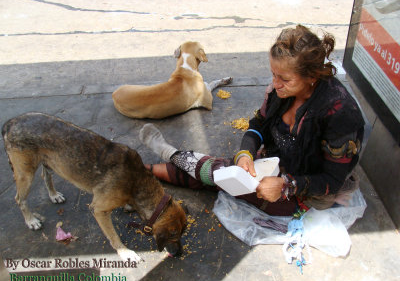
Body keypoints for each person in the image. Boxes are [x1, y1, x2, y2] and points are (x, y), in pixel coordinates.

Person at [139, 25, 365, 216]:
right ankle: (150, 166)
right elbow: (258, 125)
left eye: (284, 79)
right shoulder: (280, 91)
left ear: (312, 76)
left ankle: (155, 162)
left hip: (310, 193)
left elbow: (332, 181)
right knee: (224, 176)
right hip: (273, 164)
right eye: (273, 74)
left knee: (218, 173)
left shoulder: (340, 113)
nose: (275, 84)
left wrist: (287, 186)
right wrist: (246, 152)